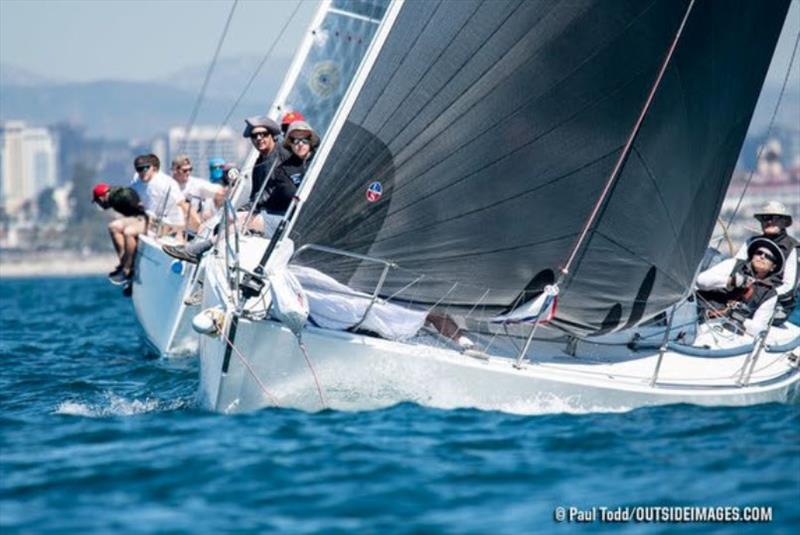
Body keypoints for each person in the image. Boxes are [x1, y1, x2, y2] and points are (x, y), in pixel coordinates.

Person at [117, 154, 186, 290]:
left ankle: (127, 269)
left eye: (145, 168)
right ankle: (128, 269)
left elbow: (184, 206)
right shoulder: (137, 183)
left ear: (153, 169)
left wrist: (196, 226)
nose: (142, 172)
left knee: (129, 232)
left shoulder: (166, 183)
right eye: (139, 169)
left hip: (171, 226)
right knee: (118, 228)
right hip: (152, 224)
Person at [696, 237, 785, 337]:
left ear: (773, 267)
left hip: (726, 332)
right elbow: (700, 281)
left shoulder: (770, 294)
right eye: (759, 253)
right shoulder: (734, 264)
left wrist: (738, 318)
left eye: (768, 257)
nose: (762, 257)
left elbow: (759, 328)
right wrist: (730, 281)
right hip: (696, 312)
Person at [732, 201, 798, 321]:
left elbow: (789, 287)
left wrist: (761, 295)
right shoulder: (750, 242)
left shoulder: (793, 247)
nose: (769, 221)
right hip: (741, 293)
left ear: (784, 222)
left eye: (775, 218)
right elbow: (734, 268)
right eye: (765, 218)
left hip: (774, 303)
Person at [253, 120, 320, 235]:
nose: (300, 144)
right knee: (244, 220)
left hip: (319, 219)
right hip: (292, 224)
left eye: (305, 140)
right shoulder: (282, 168)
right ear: (290, 144)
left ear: (311, 141)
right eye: (295, 140)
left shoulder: (322, 160)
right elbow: (271, 197)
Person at [92, 183, 146, 282]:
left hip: (146, 219)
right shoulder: (115, 197)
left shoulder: (117, 198)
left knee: (125, 231)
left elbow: (134, 202)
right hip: (140, 218)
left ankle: (127, 268)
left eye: (98, 202)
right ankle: (124, 263)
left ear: (101, 198)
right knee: (114, 227)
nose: (99, 205)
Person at [170, 154, 224, 233]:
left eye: (190, 169)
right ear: (175, 170)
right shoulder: (168, 185)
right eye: (185, 171)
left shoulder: (196, 184)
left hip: (193, 232)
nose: (188, 173)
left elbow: (220, 192)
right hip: (172, 229)